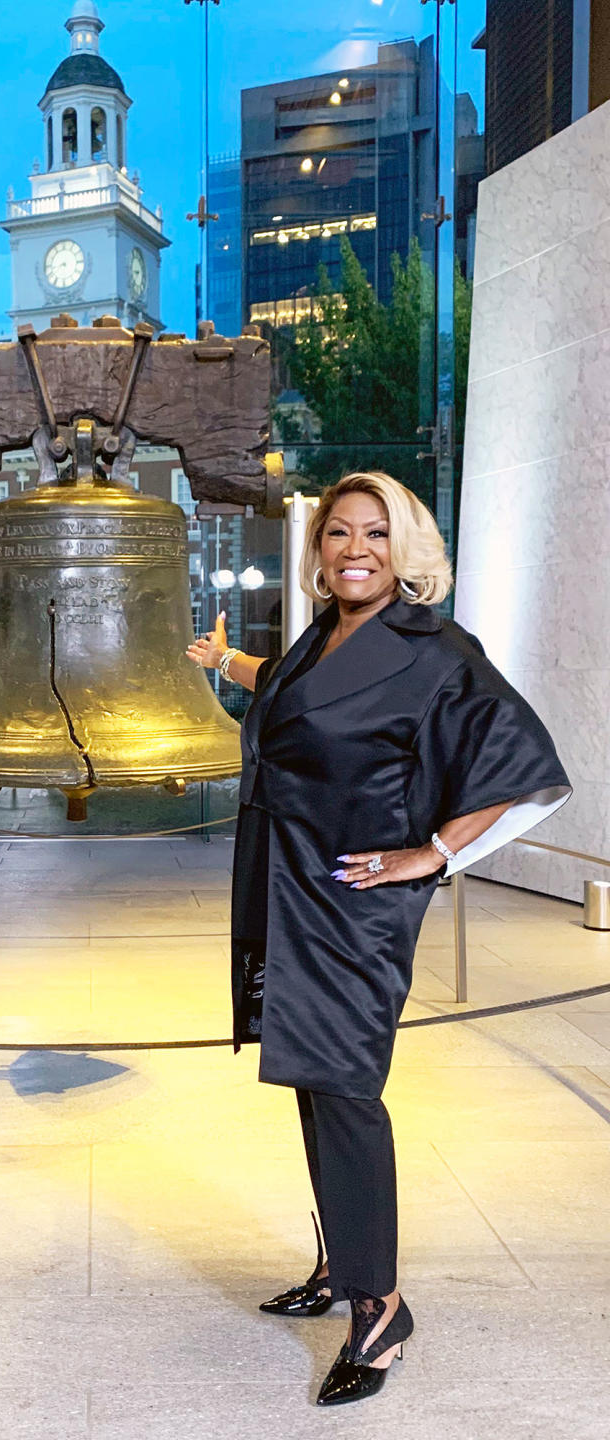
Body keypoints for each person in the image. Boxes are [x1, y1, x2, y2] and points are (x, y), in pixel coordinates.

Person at [186, 472, 571, 1407]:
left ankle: (381, 1307)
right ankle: (340, 1260)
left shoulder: (437, 648)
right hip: (291, 884)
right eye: (338, 535)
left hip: (355, 905)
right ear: (318, 550)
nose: (354, 550)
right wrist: (227, 665)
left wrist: (429, 853)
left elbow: (521, 756)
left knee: (347, 1090)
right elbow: (292, 693)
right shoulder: (324, 634)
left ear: (406, 548)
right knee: (313, 1081)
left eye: (374, 534)